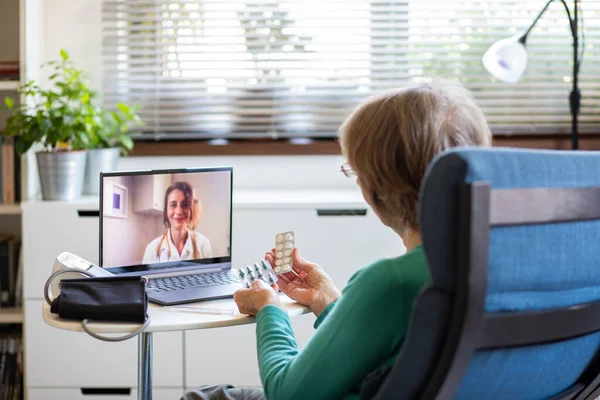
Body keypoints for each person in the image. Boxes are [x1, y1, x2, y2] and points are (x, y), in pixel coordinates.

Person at [182, 81, 492, 400]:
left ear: (379, 187)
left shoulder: (392, 282)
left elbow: (288, 393)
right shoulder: (499, 263)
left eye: (355, 172)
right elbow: (390, 353)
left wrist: (268, 309)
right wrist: (329, 302)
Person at [142, 181, 212, 263]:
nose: (179, 211)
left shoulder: (203, 245)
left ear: (191, 210)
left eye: (185, 205)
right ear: (166, 210)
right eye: (173, 205)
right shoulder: (152, 249)